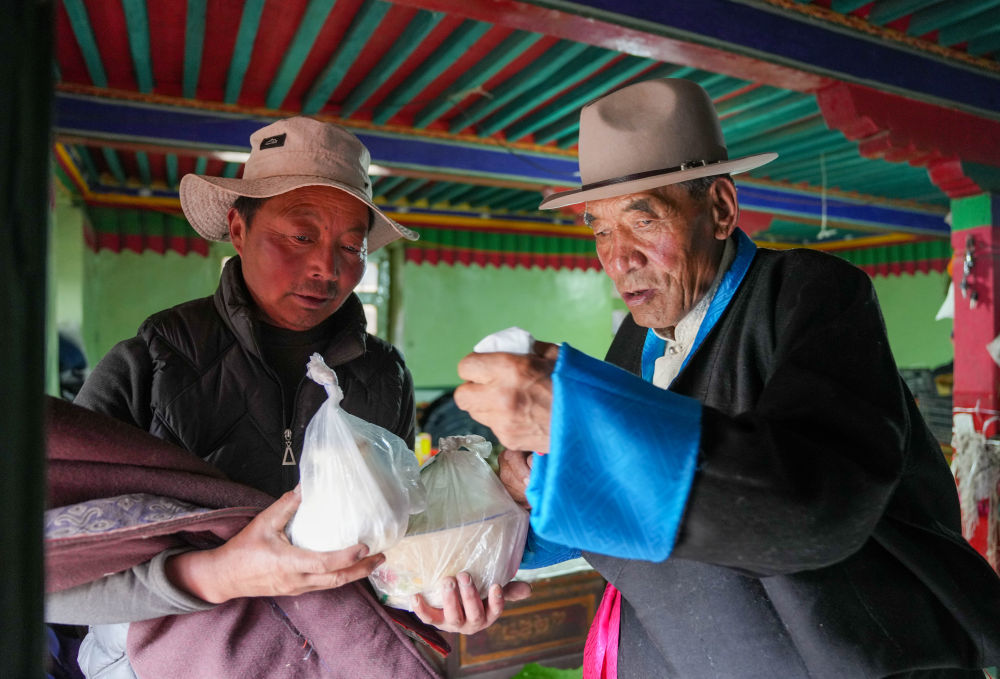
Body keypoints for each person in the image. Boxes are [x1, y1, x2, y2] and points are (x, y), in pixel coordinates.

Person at [454, 78, 1000, 678]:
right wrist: (502, 527)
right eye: (600, 229)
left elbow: (812, 505)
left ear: (719, 208)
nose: (619, 258)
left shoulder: (809, 295)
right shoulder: (636, 340)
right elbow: (621, 503)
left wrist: (582, 422)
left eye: (644, 220)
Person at [46, 117, 526, 677]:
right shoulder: (148, 366)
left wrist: (435, 593)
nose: (328, 267)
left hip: (337, 658)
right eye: (300, 236)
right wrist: (220, 573)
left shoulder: (382, 375)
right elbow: (48, 578)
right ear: (238, 228)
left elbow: (387, 554)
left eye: (352, 245)